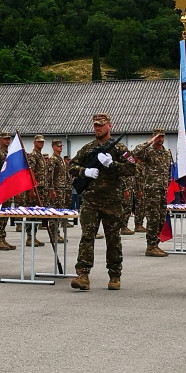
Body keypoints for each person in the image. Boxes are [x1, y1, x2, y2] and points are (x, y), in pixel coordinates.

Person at [67, 112, 136, 291]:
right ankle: (82, 275)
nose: (98, 128)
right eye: (96, 125)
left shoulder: (119, 149)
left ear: (109, 126)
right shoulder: (88, 149)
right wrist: (85, 172)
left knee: (113, 239)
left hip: (112, 201)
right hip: (90, 200)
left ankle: (114, 275)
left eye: (101, 125)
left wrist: (112, 165)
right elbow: (72, 166)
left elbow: (133, 168)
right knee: (87, 238)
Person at [131, 128, 172, 258]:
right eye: (158, 137)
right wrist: (149, 142)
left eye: (162, 137)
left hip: (163, 189)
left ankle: (155, 244)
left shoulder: (166, 153)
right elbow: (135, 152)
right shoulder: (148, 152)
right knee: (153, 218)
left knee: (160, 219)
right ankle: (151, 246)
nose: (160, 139)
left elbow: (168, 170)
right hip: (151, 189)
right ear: (154, 137)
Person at [0, 132, 16, 251]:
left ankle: (2, 237)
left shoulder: (8, 153)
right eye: (5, 138)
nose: (7, 140)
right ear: (0, 139)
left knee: (5, 214)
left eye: (9, 139)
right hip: (1, 188)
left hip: (8, 188)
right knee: (0, 214)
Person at [44, 138, 70, 242]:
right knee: (55, 212)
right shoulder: (53, 159)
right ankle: (53, 234)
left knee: (59, 212)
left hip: (61, 189)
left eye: (61, 146)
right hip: (56, 189)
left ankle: (56, 233)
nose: (60, 147)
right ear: (53, 147)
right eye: (58, 146)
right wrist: (51, 189)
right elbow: (50, 176)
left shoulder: (60, 159)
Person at [24, 135, 48, 246]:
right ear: (34, 142)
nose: (41, 144)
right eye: (39, 142)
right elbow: (30, 173)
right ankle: (29, 237)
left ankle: (34, 236)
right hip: (35, 189)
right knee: (32, 213)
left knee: (37, 213)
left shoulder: (40, 156)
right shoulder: (33, 156)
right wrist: (31, 190)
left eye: (42, 142)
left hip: (41, 188)